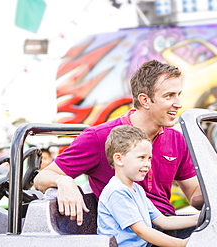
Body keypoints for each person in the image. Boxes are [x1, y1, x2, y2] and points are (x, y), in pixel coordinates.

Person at [34, 60, 203, 235]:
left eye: (178, 95)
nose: (178, 103)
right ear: (144, 100)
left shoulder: (176, 139)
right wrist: (64, 181)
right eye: (169, 96)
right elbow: (42, 178)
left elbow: (194, 197)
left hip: (167, 223)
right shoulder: (98, 138)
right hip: (131, 231)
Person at [98, 125, 198, 247]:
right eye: (141, 158)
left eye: (149, 158)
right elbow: (141, 230)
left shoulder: (136, 189)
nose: (147, 164)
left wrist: (200, 218)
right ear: (119, 159)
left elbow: (163, 221)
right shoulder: (116, 191)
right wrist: (182, 244)